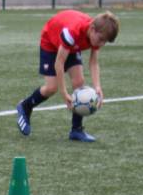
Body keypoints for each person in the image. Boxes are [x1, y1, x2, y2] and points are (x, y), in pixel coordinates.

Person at [16, 10, 119, 142]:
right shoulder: (72, 32)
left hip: (71, 47)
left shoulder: (97, 35)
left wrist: (97, 86)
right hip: (51, 43)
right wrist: (64, 93)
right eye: (101, 40)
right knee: (52, 87)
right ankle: (25, 106)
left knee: (79, 82)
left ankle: (76, 130)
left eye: (105, 42)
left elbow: (93, 63)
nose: (101, 44)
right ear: (92, 29)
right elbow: (59, 63)